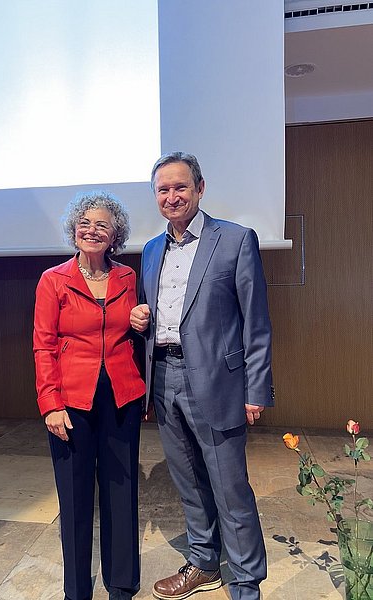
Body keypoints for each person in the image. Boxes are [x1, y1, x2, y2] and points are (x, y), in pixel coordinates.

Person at [130, 152, 274, 600]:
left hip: (217, 381)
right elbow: (157, 313)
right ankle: (204, 562)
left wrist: (256, 389)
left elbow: (256, 322)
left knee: (230, 489)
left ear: (200, 188)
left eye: (181, 187)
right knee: (189, 483)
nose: (172, 196)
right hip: (163, 376)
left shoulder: (234, 240)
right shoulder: (151, 250)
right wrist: (140, 319)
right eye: (163, 189)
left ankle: (246, 582)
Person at [33, 190, 145, 600]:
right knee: (75, 498)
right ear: (74, 230)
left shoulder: (128, 277)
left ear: (115, 235)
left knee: (121, 492)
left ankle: (122, 585)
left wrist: (142, 320)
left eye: (102, 225)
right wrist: (50, 404)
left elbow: (135, 333)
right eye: (85, 223)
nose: (92, 230)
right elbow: (43, 345)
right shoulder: (53, 279)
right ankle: (77, 590)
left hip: (122, 398)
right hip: (70, 403)